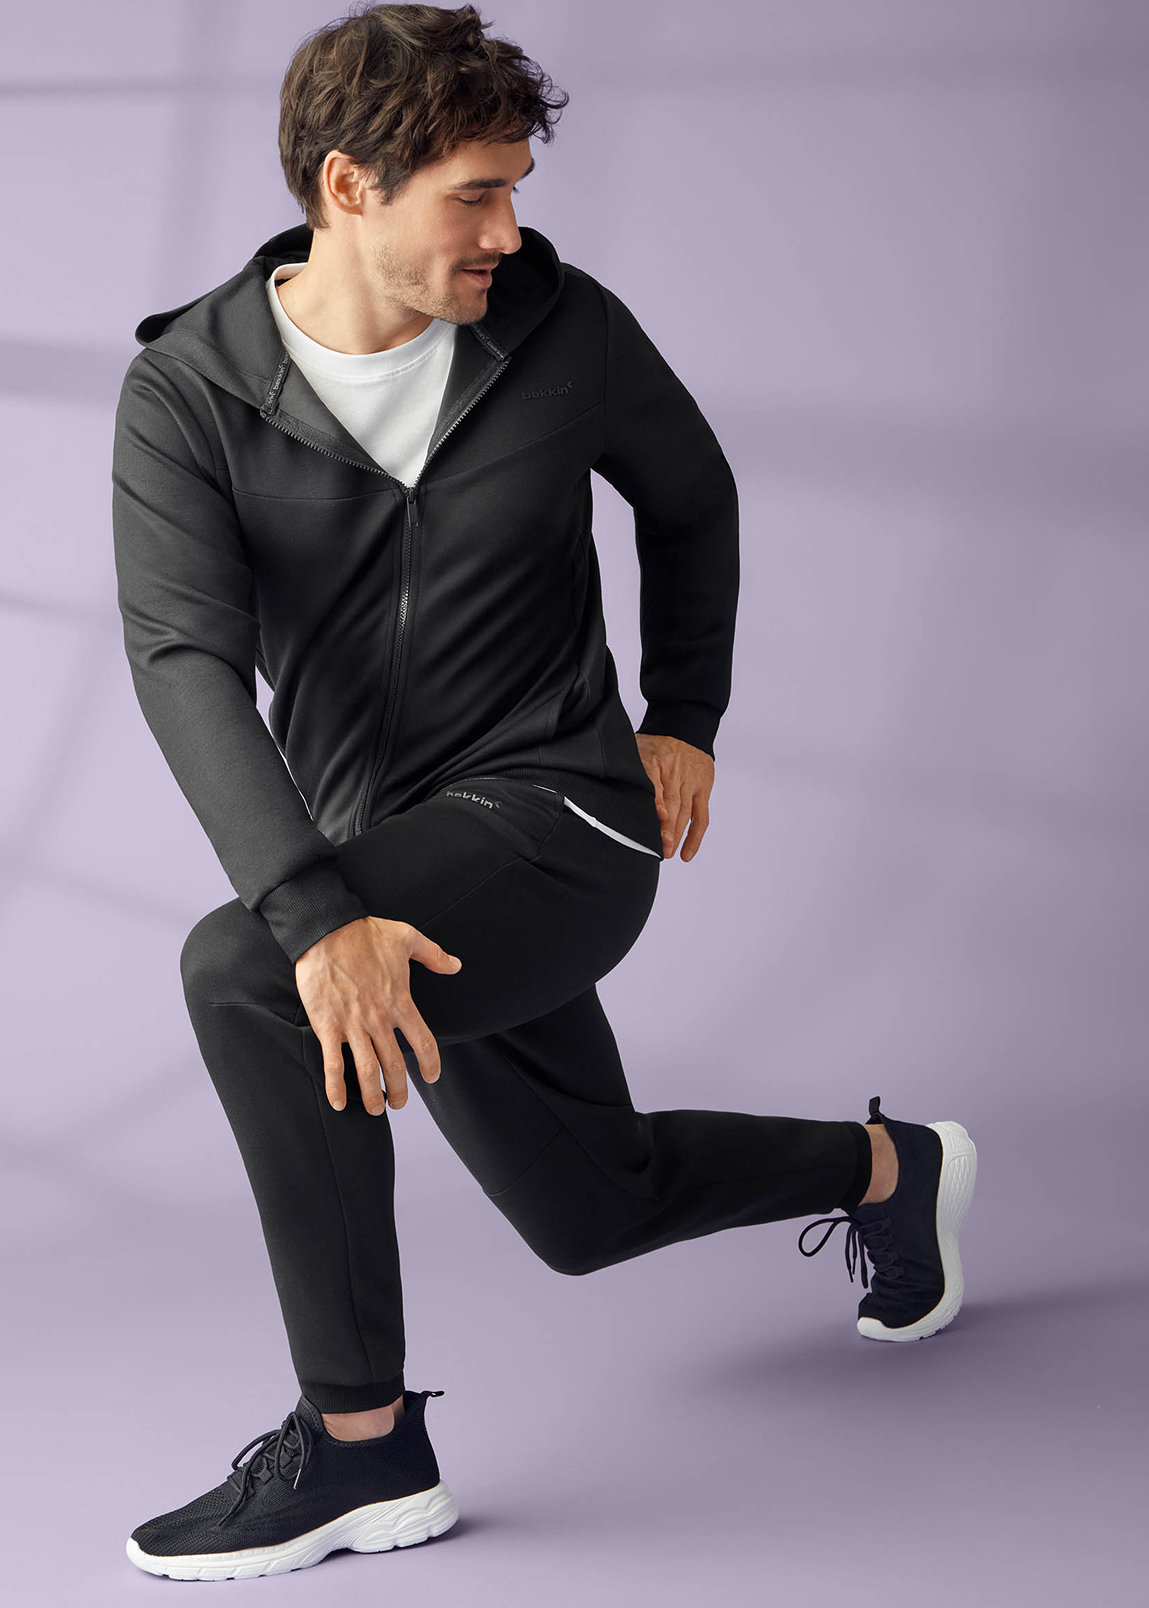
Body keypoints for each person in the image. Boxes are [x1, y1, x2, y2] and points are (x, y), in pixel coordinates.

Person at [110, 2, 977, 1582]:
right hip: (385, 856)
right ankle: (889, 1166)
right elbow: (184, 661)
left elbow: (691, 498)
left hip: (566, 815)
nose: (510, 230)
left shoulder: (560, 331)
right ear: (350, 187)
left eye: (515, 190)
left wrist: (686, 711)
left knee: (242, 974)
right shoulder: (192, 391)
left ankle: (362, 1447)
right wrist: (323, 902)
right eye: (476, 195)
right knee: (590, 1208)